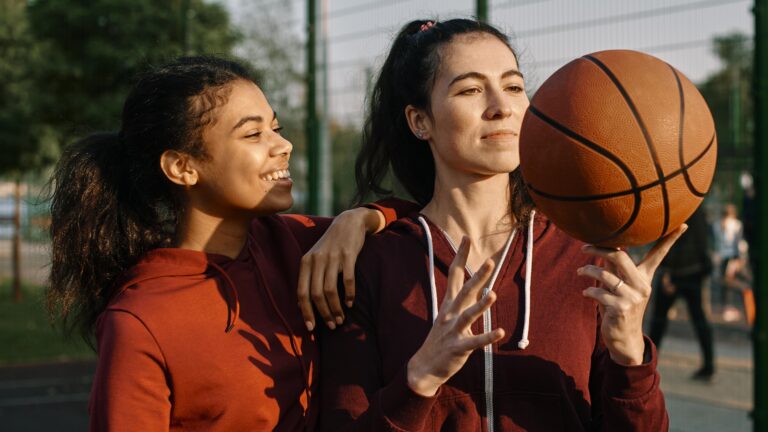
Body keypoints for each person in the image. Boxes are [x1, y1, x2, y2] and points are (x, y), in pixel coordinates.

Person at [318, 19, 682, 431]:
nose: (501, 107)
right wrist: (420, 378)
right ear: (420, 121)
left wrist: (630, 359)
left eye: (512, 86)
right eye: (471, 89)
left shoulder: (581, 256)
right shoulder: (373, 265)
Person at [46, 56, 414, 431]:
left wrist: (359, 219)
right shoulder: (141, 319)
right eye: (254, 135)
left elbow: (422, 219)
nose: (283, 145)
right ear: (182, 167)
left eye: (276, 128)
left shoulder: (300, 243)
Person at [649, 205, 715, 380]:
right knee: (699, 319)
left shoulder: (680, 204)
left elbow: (675, 240)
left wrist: (667, 270)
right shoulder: (698, 207)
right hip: (693, 271)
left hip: (677, 272)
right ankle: (709, 366)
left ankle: (648, 364)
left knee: (659, 321)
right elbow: (701, 241)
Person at [713, 203, 744, 320]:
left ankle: (726, 308)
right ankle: (728, 309)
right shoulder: (737, 224)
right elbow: (738, 243)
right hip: (731, 257)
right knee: (729, 284)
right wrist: (738, 260)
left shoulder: (716, 224)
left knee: (725, 284)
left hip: (721, 257)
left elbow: (715, 243)